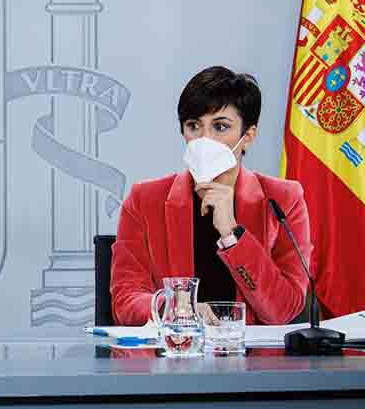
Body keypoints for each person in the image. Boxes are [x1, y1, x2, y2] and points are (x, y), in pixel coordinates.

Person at [111, 66, 310, 326]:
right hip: (175, 356)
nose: (205, 139)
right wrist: (172, 306)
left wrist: (232, 234)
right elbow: (124, 301)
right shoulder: (144, 200)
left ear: (247, 137)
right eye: (194, 126)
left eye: (220, 127)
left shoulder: (283, 199)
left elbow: (283, 310)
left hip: (254, 362)